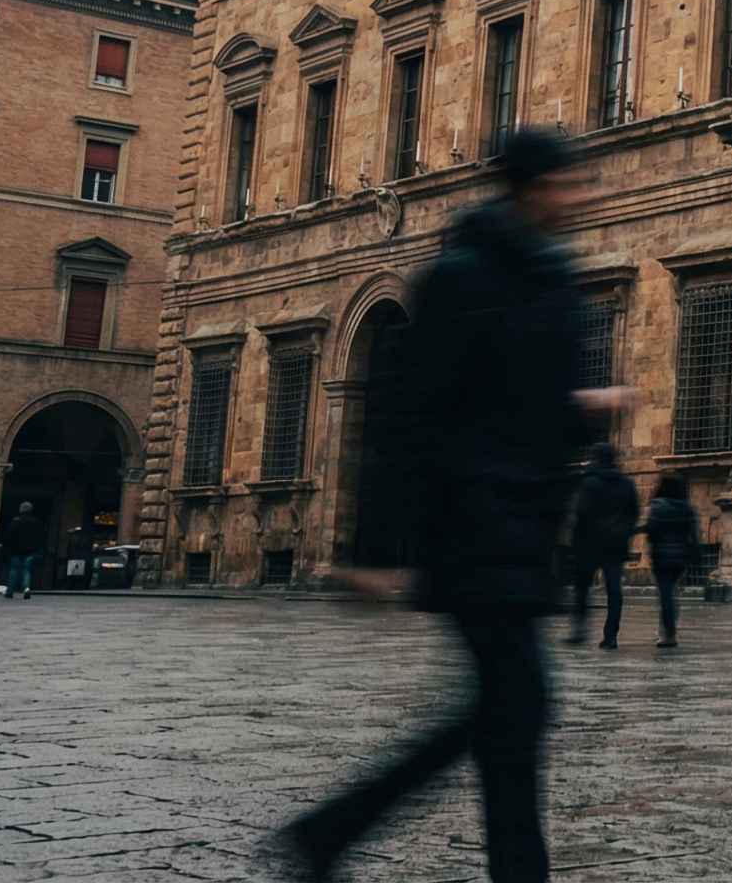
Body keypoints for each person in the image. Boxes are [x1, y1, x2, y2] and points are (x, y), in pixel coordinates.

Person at [275, 128, 629, 883]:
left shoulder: (552, 277)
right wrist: (375, 551)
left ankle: (333, 831)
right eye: (567, 185)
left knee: (507, 714)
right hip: (472, 524)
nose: (581, 197)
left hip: (525, 527)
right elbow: (410, 415)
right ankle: (344, 832)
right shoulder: (464, 277)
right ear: (526, 190)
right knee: (517, 708)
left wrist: (583, 408)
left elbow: (524, 406)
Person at [564, 444, 639, 650]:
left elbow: (583, 512)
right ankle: (611, 636)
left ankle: (579, 631)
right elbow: (634, 512)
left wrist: (575, 541)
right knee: (614, 591)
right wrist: (623, 532)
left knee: (582, 588)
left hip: (589, 544)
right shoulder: (627, 484)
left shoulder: (589, 482)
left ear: (597, 459)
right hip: (615, 544)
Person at [642, 473, 697, 649]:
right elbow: (694, 534)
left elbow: (652, 529)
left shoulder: (659, 506)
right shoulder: (687, 508)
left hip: (662, 556)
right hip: (680, 557)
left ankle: (670, 634)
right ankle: (665, 630)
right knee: (671, 593)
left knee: (666, 594)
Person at [0, 501, 46, 600]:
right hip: (30, 550)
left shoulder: (16, 520)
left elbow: (10, 535)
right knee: (26, 570)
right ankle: (26, 589)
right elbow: (39, 537)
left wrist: (6, 546)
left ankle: (10, 591)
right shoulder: (36, 522)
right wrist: (37, 549)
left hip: (16, 550)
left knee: (14, 571)